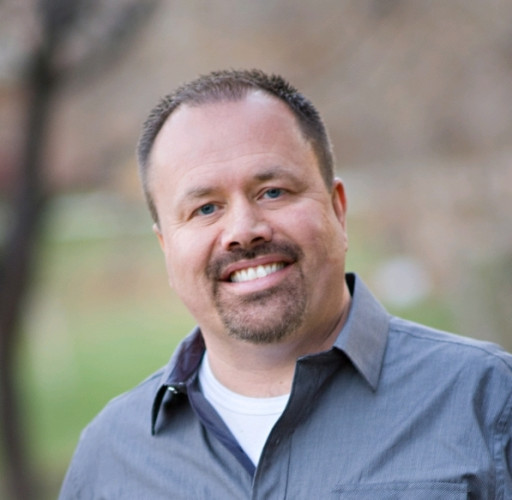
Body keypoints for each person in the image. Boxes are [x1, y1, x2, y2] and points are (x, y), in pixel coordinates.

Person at [59, 69, 512, 499]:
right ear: (166, 246)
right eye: (205, 208)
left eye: (272, 192)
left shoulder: (488, 400)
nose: (243, 230)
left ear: (337, 209)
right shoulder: (109, 458)